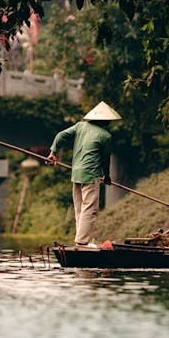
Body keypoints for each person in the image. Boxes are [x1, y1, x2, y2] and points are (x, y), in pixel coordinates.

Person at [47, 101, 122, 247]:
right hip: (91, 175)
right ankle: (81, 243)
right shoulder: (105, 135)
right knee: (89, 209)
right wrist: (107, 176)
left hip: (76, 174)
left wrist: (53, 152)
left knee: (80, 208)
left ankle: (80, 241)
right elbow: (105, 159)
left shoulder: (80, 126)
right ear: (106, 120)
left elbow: (61, 135)